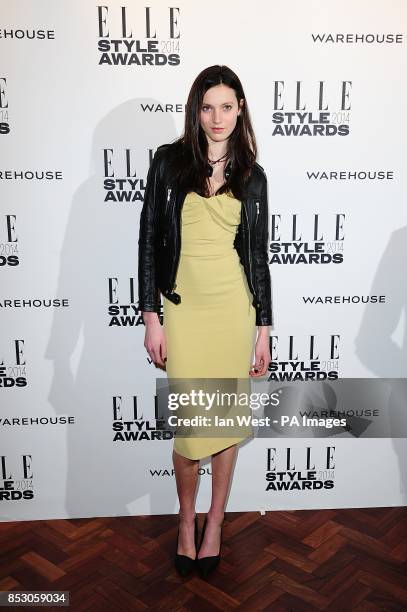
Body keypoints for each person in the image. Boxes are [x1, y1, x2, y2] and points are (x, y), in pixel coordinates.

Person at [138, 65, 273, 577]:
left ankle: (214, 522)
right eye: (208, 106)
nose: (217, 117)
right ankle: (184, 520)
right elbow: (149, 241)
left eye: (227, 106)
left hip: (231, 309)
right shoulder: (168, 164)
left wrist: (263, 328)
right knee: (192, 430)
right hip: (183, 309)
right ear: (196, 110)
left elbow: (256, 258)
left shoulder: (252, 175)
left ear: (241, 111)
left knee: (224, 426)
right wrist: (151, 316)